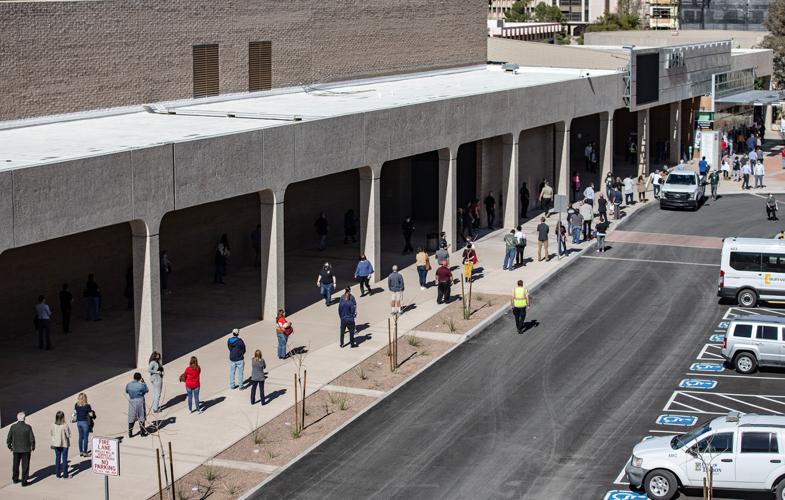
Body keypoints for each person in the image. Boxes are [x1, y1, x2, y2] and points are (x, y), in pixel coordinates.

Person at [7, 412, 35, 486]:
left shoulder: (13, 427)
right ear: (24, 418)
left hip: (16, 449)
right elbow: (32, 438)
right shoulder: (28, 427)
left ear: (17, 418)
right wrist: (33, 446)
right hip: (26, 450)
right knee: (25, 465)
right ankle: (24, 481)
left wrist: (10, 446)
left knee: (15, 465)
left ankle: (15, 479)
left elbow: (9, 438)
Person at [125, 372, 148, 436]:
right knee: (141, 416)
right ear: (140, 378)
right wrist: (144, 383)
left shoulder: (128, 384)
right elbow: (147, 390)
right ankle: (142, 433)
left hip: (132, 401)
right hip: (140, 401)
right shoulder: (141, 385)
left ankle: (130, 432)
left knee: (131, 417)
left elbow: (126, 391)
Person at [50, 410, 70, 479]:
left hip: (56, 444)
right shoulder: (65, 425)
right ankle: (65, 475)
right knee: (64, 459)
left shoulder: (52, 424)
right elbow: (68, 435)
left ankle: (58, 474)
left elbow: (52, 434)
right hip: (64, 444)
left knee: (57, 459)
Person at [73, 393, 95, 457]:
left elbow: (76, 412)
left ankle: (81, 451)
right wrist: (92, 412)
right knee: (85, 438)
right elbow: (91, 415)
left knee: (80, 437)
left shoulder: (76, 405)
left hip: (78, 422)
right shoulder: (87, 406)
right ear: (85, 398)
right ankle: (85, 452)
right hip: (85, 423)